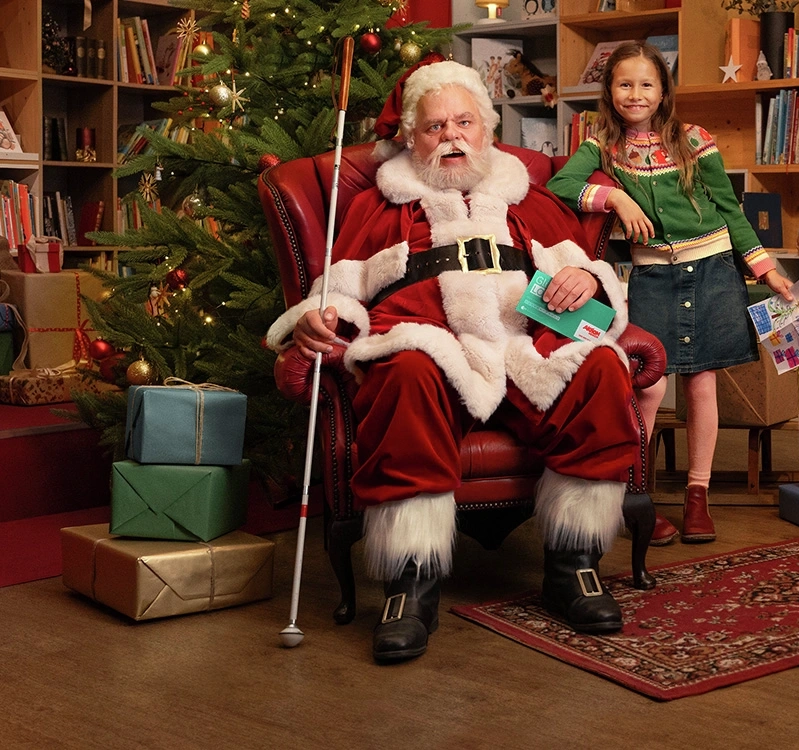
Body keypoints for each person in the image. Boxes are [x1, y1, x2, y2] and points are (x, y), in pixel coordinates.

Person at [266, 60, 650, 664]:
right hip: (431, 345)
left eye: (464, 122)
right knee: (407, 370)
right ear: (411, 138)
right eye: (434, 126)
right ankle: (410, 584)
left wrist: (587, 277)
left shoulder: (529, 197)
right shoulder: (382, 205)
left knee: (598, 365)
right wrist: (321, 316)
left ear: (487, 129)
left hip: (525, 345)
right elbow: (340, 288)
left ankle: (573, 562)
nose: (451, 136)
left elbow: (590, 279)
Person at [547, 42, 794, 544]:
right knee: (648, 384)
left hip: (713, 269)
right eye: (624, 84)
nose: (635, 94)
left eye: (646, 84)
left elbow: (729, 208)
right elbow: (560, 184)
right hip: (654, 276)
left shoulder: (694, 140)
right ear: (609, 91)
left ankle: (697, 497)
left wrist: (765, 270)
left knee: (701, 383)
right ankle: (635, 494)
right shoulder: (602, 147)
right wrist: (614, 194)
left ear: (663, 92)